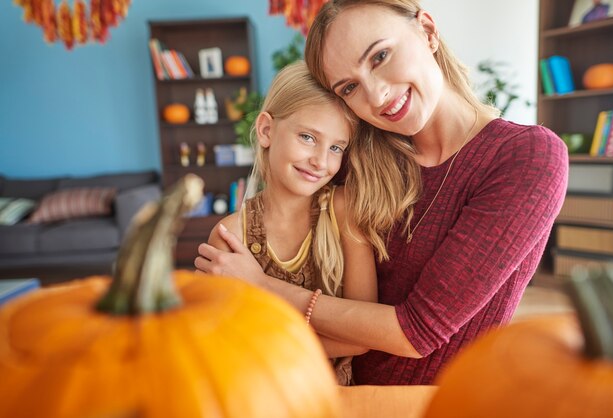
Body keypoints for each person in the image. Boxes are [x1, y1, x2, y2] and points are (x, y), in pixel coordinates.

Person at [196, 0, 568, 386]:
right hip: (329, 394)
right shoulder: (360, 154)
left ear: (427, 31)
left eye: (380, 56)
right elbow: (289, 227)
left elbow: (417, 332)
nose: (375, 97)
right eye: (350, 87)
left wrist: (260, 286)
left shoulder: (526, 156)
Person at [201, 60, 377, 385]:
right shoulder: (231, 236)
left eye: (336, 147)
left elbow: (364, 336)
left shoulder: (344, 211)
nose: (321, 161)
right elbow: (229, 345)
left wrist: (272, 342)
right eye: (308, 137)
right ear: (267, 130)